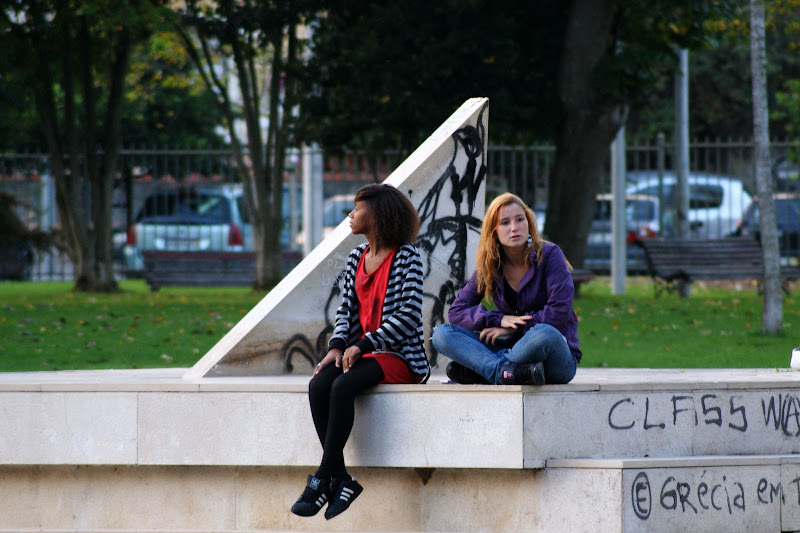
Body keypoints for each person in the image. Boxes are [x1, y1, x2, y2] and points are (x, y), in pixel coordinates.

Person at [291, 184, 429, 520]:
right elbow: (346, 312)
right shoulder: (357, 257)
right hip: (362, 353)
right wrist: (336, 347)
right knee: (319, 383)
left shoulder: (407, 255)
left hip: (399, 357)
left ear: (378, 213)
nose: (350, 214)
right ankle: (342, 479)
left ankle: (323, 477)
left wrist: (365, 344)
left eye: (357, 207)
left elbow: (410, 313)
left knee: (343, 386)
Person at [432, 192, 580, 386]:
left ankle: (489, 370)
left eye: (520, 220)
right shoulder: (491, 265)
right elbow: (457, 311)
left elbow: (559, 312)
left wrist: (511, 330)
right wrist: (498, 319)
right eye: (505, 223)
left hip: (553, 357)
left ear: (529, 224)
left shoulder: (550, 254)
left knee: (545, 333)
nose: (514, 228)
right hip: (515, 351)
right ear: (493, 231)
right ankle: (507, 372)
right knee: (442, 334)